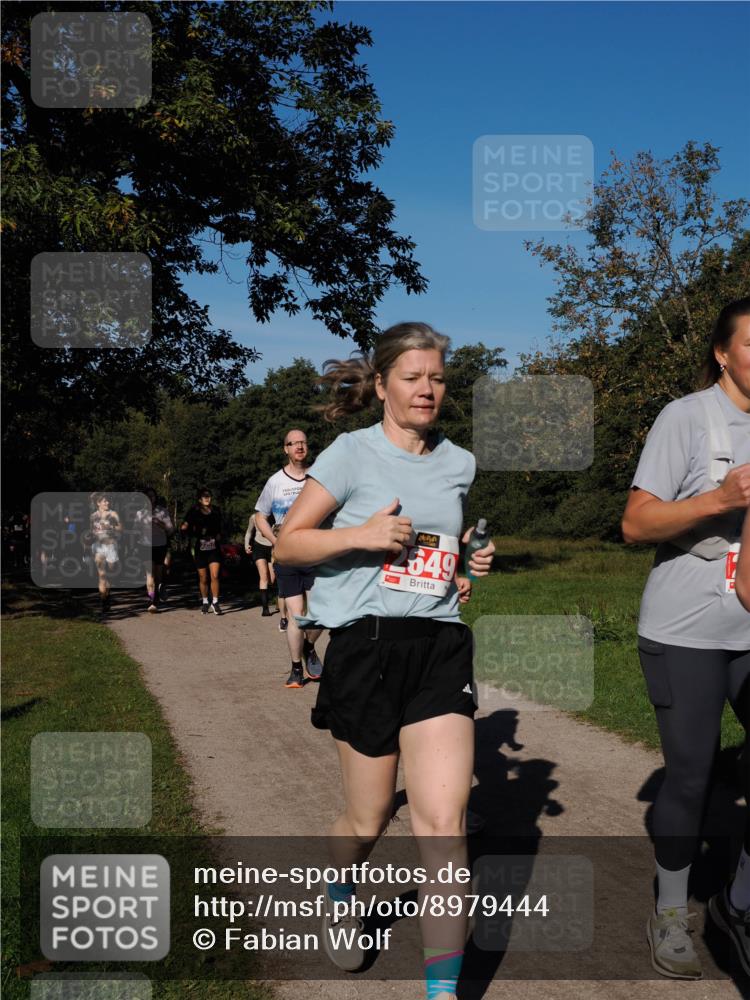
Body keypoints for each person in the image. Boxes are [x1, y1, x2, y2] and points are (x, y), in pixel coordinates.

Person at [274, 322, 494, 997]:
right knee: (369, 818)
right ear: (381, 386)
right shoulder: (349, 454)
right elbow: (288, 546)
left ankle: (441, 992)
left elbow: (438, 547)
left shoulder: (459, 461)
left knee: (442, 822)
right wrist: (363, 535)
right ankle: (341, 889)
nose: (427, 389)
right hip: (364, 646)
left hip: (438, 643)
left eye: (437, 378)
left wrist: (467, 561)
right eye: (412, 377)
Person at [622, 297, 750, 980]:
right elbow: (636, 524)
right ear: (723, 354)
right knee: (696, 773)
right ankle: (671, 908)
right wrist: (719, 500)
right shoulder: (687, 418)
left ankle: (739, 899)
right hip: (687, 630)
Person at [255, 430, 323, 687]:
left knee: (321, 613)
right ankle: (296, 669)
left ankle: (308, 647)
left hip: (316, 553)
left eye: (303, 442)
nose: (299, 446)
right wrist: (275, 542)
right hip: (288, 556)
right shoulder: (275, 482)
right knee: (296, 616)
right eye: (294, 443)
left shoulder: (318, 477)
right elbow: (261, 515)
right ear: (285, 449)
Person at [181, 487, 224, 615]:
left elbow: (223, 526)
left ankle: (215, 602)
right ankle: (205, 601)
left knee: (215, 575)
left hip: (213, 547)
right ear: (199, 499)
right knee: (203, 578)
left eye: (209, 496)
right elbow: (185, 525)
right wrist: (186, 530)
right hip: (200, 547)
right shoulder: (194, 511)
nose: (207, 498)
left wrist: (220, 535)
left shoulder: (216, 510)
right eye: (204, 496)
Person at [134, 488, 174, 613]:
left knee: (158, 574)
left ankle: (158, 590)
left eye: (152, 496)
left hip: (160, 545)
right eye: (148, 496)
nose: (150, 498)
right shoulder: (140, 513)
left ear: (155, 498)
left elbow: (171, 530)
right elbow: (135, 531)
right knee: (150, 574)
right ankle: (152, 601)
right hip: (145, 546)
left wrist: (159, 523)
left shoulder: (162, 511)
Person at [89, 493, 122, 614]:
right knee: (102, 575)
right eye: (104, 501)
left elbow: (121, 528)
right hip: (98, 547)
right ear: (98, 503)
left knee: (110, 575)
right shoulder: (93, 516)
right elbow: (91, 531)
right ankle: (104, 603)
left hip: (111, 547)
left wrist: (112, 527)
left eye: (108, 501)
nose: (107, 503)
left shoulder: (113, 514)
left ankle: (108, 594)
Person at [244, 511, 277, 617]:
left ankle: (277, 600)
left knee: (272, 579)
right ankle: (265, 608)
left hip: (272, 548)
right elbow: (249, 532)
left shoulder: (276, 517)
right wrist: (246, 545)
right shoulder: (254, 517)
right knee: (264, 578)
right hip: (259, 547)